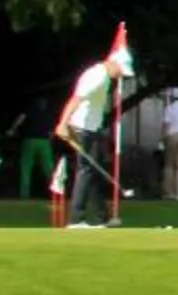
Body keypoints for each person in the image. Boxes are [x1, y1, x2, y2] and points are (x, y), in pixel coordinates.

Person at [57, 32, 135, 228]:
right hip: (81, 127)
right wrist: (63, 123)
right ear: (113, 63)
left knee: (92, 170)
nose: (121, 75)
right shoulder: (97, 77)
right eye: (121, 70)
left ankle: (103, 218)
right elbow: (76, 99)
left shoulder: (105, 77)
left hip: (91, 128)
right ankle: (76, 219)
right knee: (86, 171)